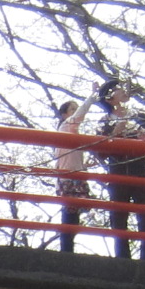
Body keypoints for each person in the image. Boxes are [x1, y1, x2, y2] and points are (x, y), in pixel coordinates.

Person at [94, 82, 145, 262]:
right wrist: (117, 131)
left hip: (141, 171)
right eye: (118, 88)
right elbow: (101, 151)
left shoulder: (140, 116)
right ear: (109, 97)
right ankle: (122, 260)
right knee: (119, 219)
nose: (123, 90)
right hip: (118, 173)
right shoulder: (104, 121)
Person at [50, 98, 89, 252]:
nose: (76, 112)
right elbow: (80, 115)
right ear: (65, 115)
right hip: (69, 178)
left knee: (73, 218)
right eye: (73, 109)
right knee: (69, 217)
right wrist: (92, 97)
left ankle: (67, 250)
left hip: (75, 176)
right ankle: (66, 251)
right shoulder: (66, 127)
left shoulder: (70, 132)